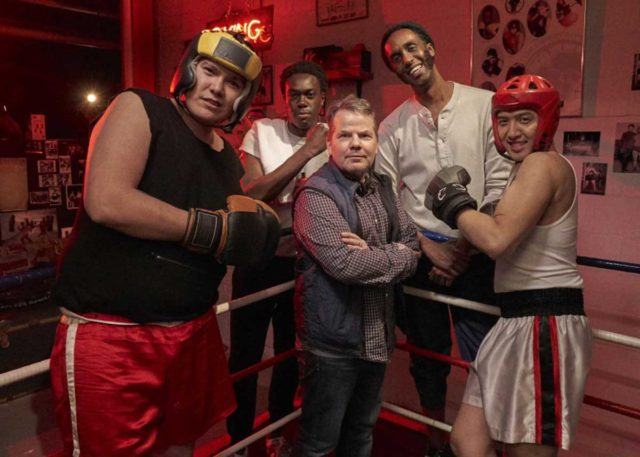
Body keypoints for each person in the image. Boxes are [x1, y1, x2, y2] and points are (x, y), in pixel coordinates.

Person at [49, 30, 281, 457]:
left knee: (180, 449)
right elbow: (107, 200)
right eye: (210, 71)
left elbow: (230, 233)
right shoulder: (140, 108)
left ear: (243, 98)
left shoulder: (227, 157)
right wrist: (210, 230)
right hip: (115, 335)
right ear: (187, 70)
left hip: (193, 329)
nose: (217, 87)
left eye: (233, 83)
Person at [425, 75, 592, 457]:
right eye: (504, 120)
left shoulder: (542, 164)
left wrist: (454, 203)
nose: (512, 131)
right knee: (468, 440)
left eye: (524, 119)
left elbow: (497, 240)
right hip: (514, 320)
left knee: (526, 451)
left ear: (545, 121)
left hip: (544, 320)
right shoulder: (522, 169)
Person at [377, 21, 512, 457]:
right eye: (395, 57)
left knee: (486, 356)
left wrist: (465, 247)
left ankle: (486, 444)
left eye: (411, 48)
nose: (406, 59)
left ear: (431, 48)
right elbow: (385, 193)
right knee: (427, 357)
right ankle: (435, 440)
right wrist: (426, 247)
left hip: (480, 254)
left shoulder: (484, 105)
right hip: (422, 258)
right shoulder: (393, 126)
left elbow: (500, 182)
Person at [292, 95, 420, 457]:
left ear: (376, 142)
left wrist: (379, 254)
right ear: (329, 142)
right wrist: (394, 254)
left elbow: (413, 247)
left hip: (376, 336)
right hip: (332, 346)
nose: (355, 144)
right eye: (345, 135)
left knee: (361, 435)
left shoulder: (382, 185)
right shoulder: (315, 193)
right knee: (319, 444)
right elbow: (345, 265)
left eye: (364, 135)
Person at [227, 61, 329, 457]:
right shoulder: (262, 131)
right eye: (294, 95)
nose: (301, 102)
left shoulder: (335, 138)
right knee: (245, 354)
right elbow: (252, 191)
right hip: (258, 258)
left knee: (289, 351)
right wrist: (306, 153)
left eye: (309, 95)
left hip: (302, 261)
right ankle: (237, 439)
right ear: (284, 98)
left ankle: (278, 430)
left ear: (324, 99)